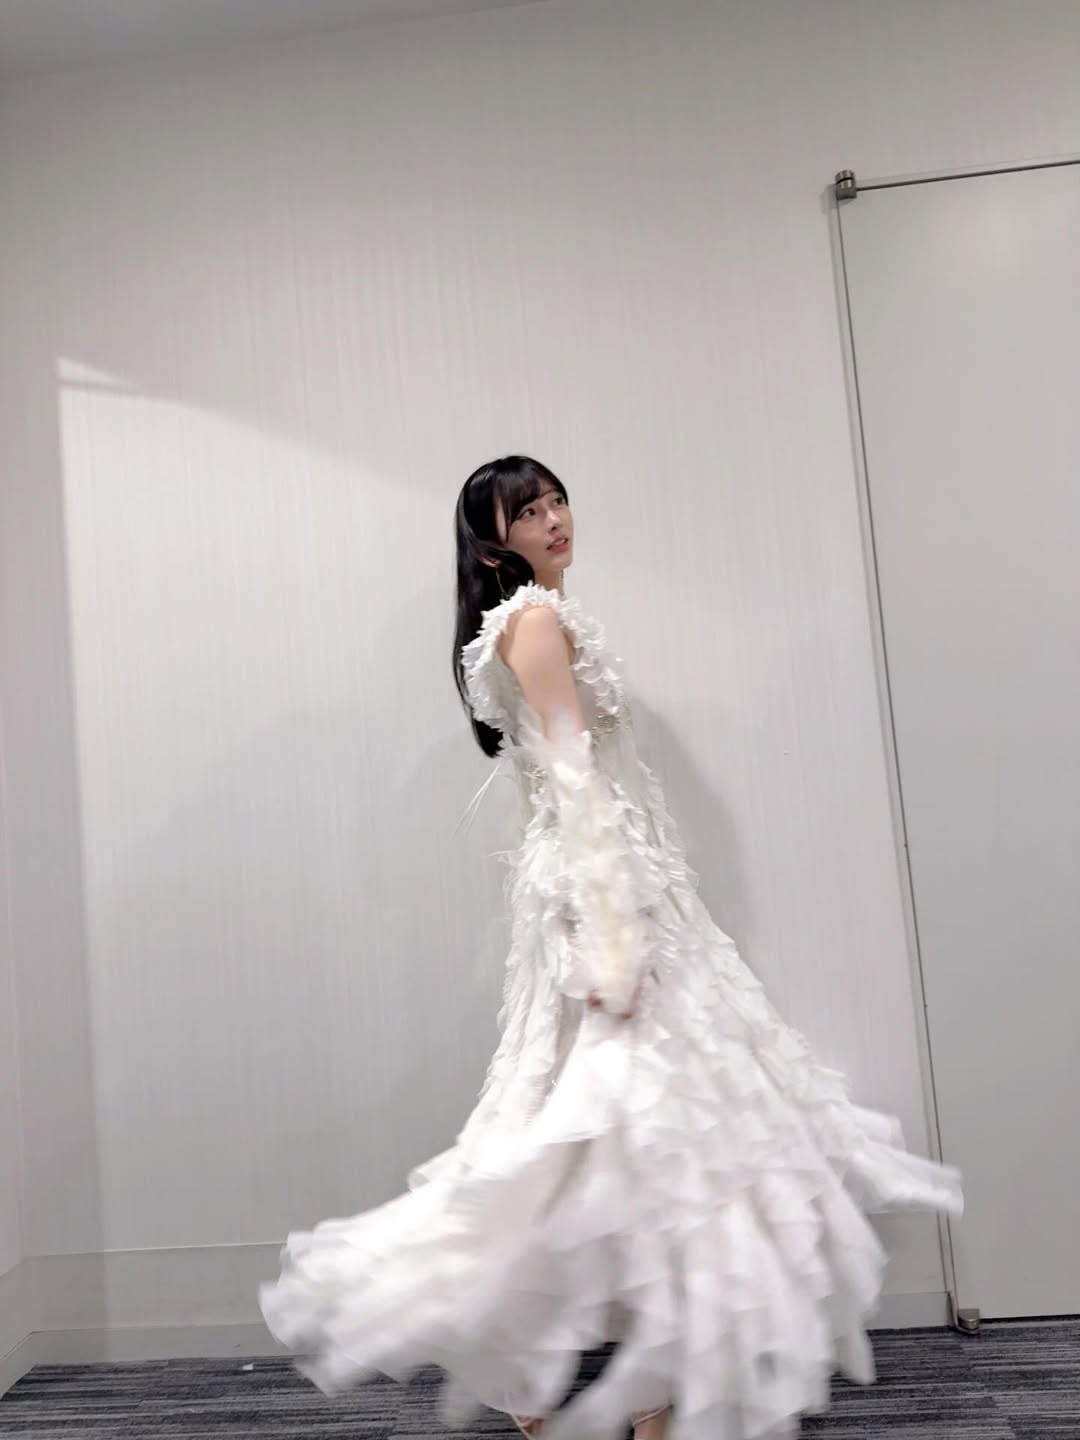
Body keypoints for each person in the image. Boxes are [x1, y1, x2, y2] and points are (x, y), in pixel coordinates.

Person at [259, 455, 963, 1440]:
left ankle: (623, 1395)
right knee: (621, 1135)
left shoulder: (532, 618)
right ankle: (602, 1391)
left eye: (557, 500)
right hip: (607, 897)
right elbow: (575, 775)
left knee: (620, 1141)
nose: (555, 519)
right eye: (528, 511)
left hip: (621, 886)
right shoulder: (534, 622)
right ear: (492, 542)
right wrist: (614, 935)